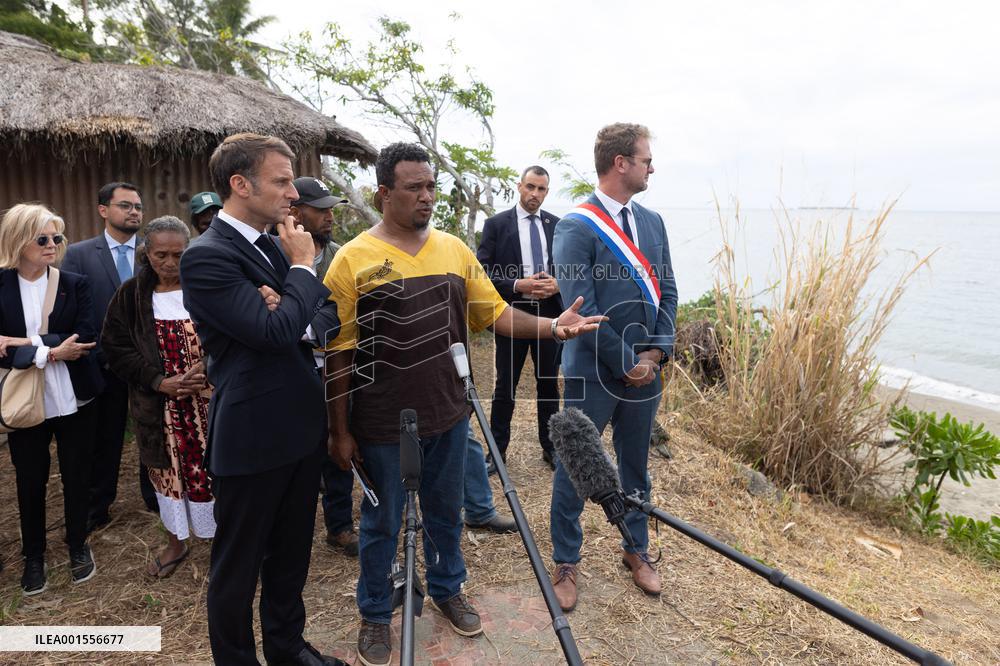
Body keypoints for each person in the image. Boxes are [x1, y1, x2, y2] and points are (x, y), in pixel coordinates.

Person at [323, 142, 604, 666]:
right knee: (382, 524)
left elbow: (494, 313)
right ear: (384, 194)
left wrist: (552, 326)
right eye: (415, 188)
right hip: (383, 420)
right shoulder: (351, 259)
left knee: (445, 512)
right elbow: (337, 353)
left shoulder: (454, 249)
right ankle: (376, 612)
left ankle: (449, 587)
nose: (427, 196)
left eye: (431, 187)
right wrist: (339, 431)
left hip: (449, 412)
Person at [180, 133, 344, 666]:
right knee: (237, 566)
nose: (291, 194)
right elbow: (272, 333)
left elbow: (326, 317)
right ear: (239, 184)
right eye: (280, 181)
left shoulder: (272, 247)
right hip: (250, 437)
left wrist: (285, 307)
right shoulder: (206, 257)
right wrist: (298, 276)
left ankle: (287, 647)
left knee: (291, 556)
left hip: (299, 428)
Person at [548, 123, 678, 612]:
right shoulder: (575, 226)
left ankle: (635, 547)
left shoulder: (654, 222)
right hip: (593, 370)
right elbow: (580, 309)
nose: (652, 167)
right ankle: (566, 559)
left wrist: (654, 354)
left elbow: (669, 292)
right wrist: (625, 363)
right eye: (646, 159)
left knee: (635, 465)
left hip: (645, 371)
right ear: (621, 163)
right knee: (576, 465)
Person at [101, 216, 216, 579]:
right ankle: (176, 543)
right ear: (145, 253)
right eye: (160, 255)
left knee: (219, 474)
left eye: (178, 255)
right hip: (161, 409)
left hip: (213, 405)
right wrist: (158, 381)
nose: (169, 263)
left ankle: (228, 545)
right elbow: (115, 347)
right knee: (169, 477)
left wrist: (209, 367)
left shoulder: (207, 288)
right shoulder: (131, 296)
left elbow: (236, 332)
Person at [0, 203, 104, 595]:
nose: (52, 245)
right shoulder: (1, 284)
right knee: (30, 479)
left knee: (78, 475)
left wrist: (24, 344)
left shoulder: (74, 282)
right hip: (25, 400)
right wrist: (50, 352)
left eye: (56, 237)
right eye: (42, 238)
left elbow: (87, 336)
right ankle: (34, 556)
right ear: (18, 240)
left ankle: (78, 545)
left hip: (74, 397)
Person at [63, 181, 158, 530]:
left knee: (154, 431)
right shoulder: (79, 254)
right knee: (105, 438)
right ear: (104, 210)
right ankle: (97, 505)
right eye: (125, 206)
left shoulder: (156, 252)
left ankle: (156, 497)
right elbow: (76, 311)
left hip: (150, 364)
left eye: (137, 206)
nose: (134, 211)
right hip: (102, 365)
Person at [477, 165, 563, 471]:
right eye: (530, 187)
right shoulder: (497, 225)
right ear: (519, 186)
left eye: (541, 189)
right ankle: (496, 453)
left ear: (546, 192)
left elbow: (568, 266)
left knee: (549, 384)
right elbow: (482, 273)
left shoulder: (557, 225)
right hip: (511, 314)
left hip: (550, 315)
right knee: (505, 387)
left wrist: (558, 283)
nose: (534, 194)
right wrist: (518, 284)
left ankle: (551, 448)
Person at [289, 176, 357, 556]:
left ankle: (340, 525)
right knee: (298, 451)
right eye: (321, 209)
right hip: (295, 370)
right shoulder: (274, 254)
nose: (330, 215)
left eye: (332, 208)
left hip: (339, 364)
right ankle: (292, 529)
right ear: (296, 212)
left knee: (340, 437)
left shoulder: (342, 255)